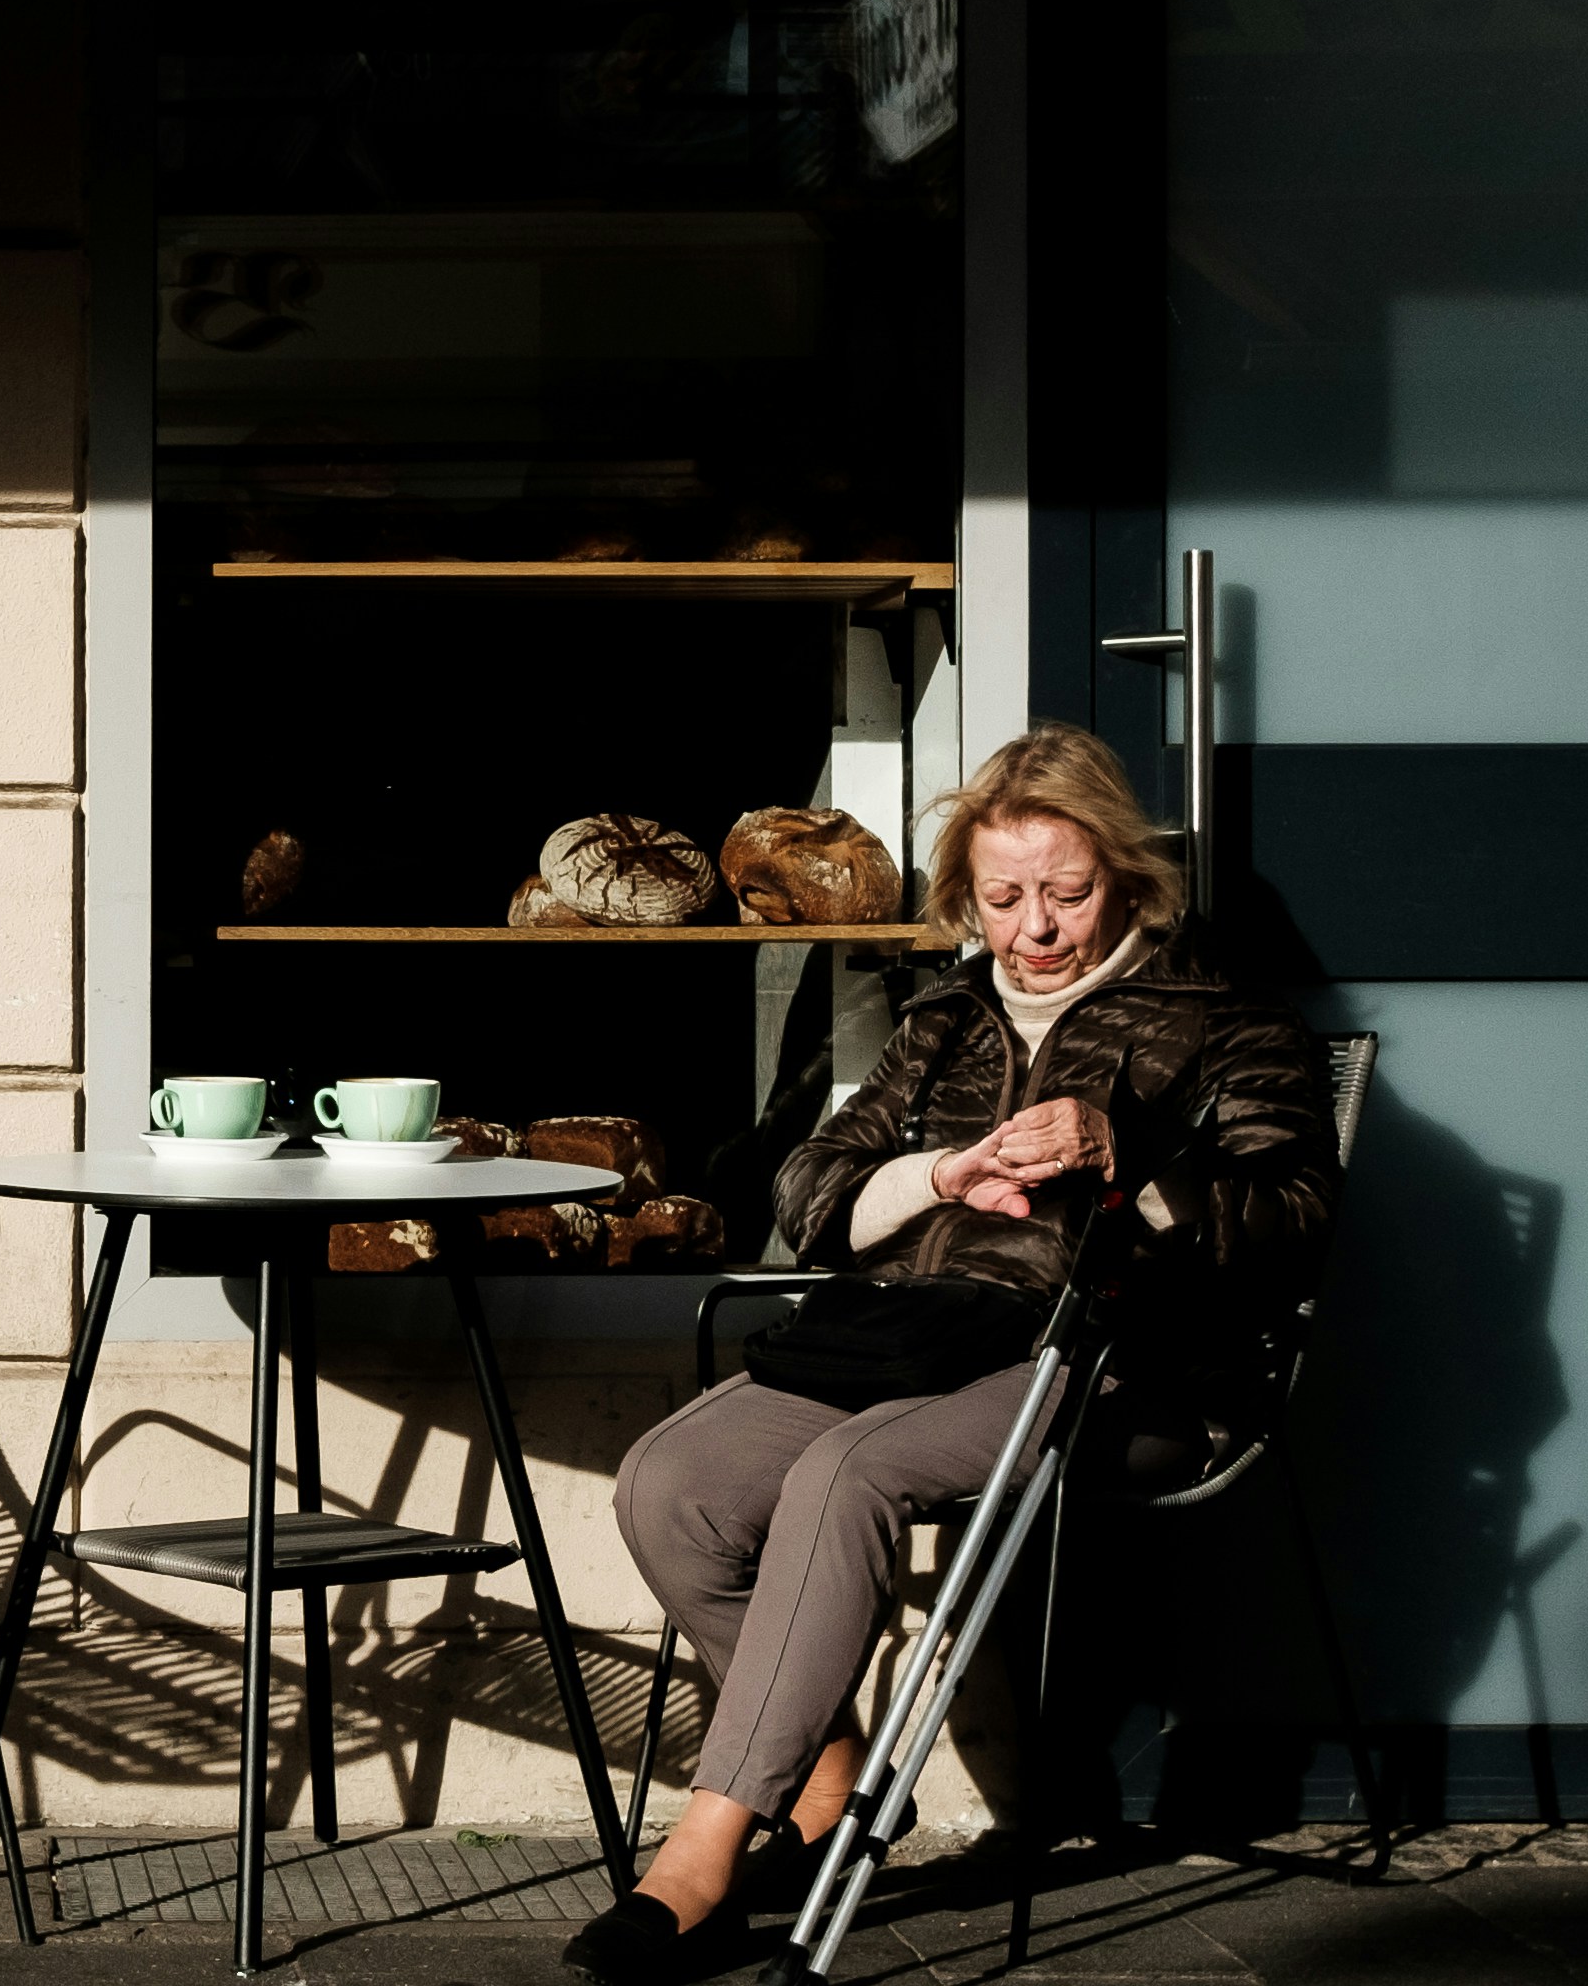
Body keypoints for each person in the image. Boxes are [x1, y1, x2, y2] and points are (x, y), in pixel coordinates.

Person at [566, 724, 1337, 1982]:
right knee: (674, 1486)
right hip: (913, 1344)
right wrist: (940, 1173)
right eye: (1003, 898)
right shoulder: (947, 1022)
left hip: (1120, 1364)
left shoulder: (1224, 1020)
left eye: (1068, 894)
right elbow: (810, 1184)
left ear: (1129, 882)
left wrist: (1124, 1155)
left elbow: (1291, 1225)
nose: (1034, 928)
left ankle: (699, 1858)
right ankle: (828, 1779)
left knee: (848, 1475)